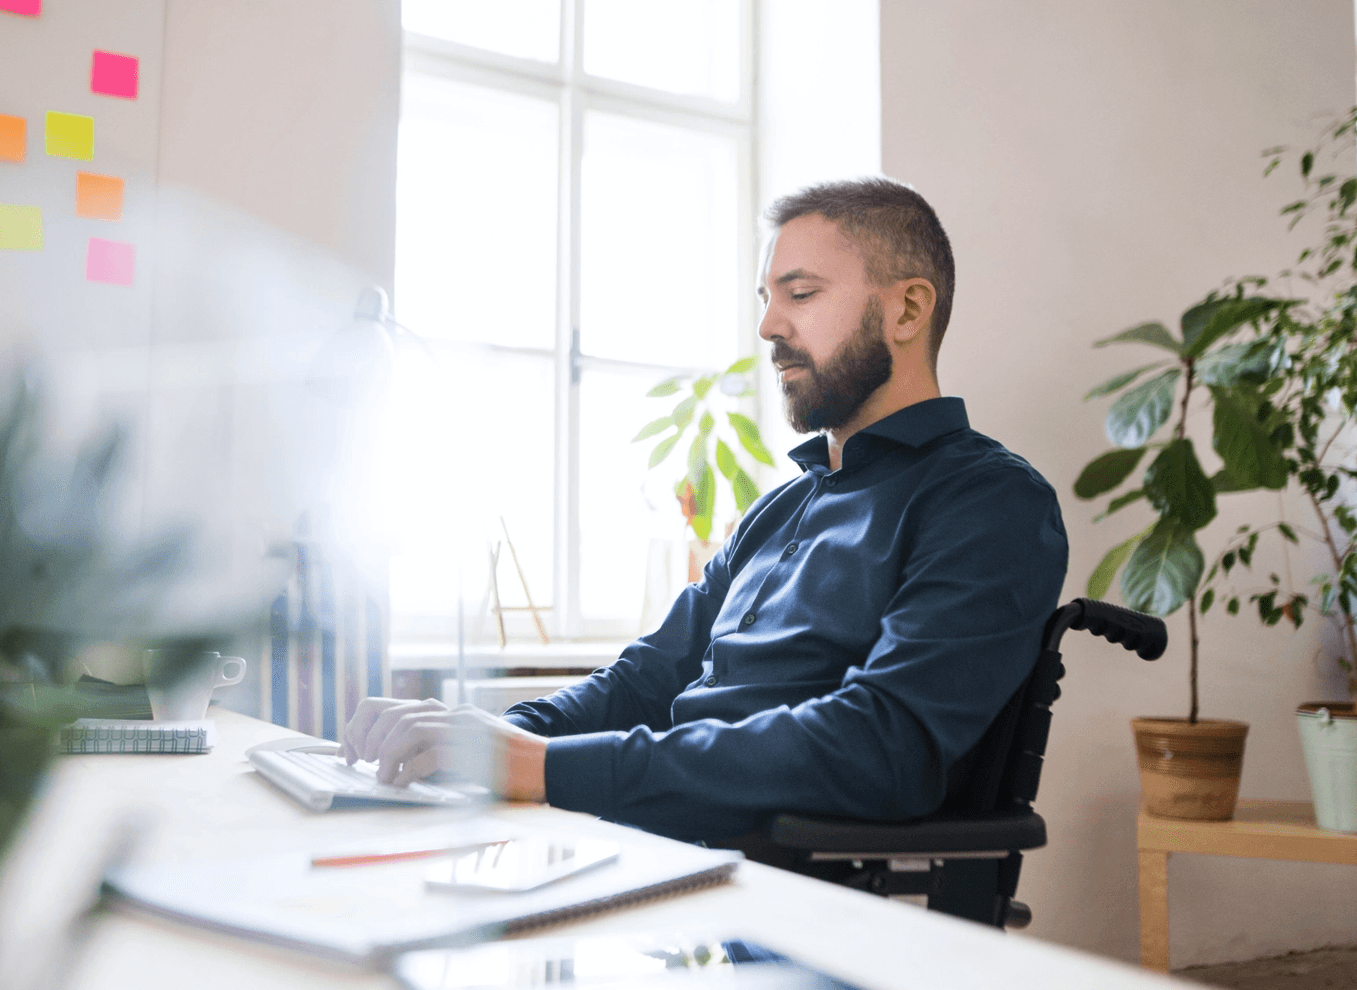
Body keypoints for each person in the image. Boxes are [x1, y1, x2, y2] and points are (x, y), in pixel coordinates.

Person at [342, 177, 1068, 844]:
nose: (769, 328)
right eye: (766, 300)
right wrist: (491, 737)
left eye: (802, 294)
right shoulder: (779, 509)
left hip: (786, 891)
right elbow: (646, 679)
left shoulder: (989, 503)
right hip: (652, 849)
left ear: (907, 308)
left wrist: (545, 768)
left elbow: (881, 748)